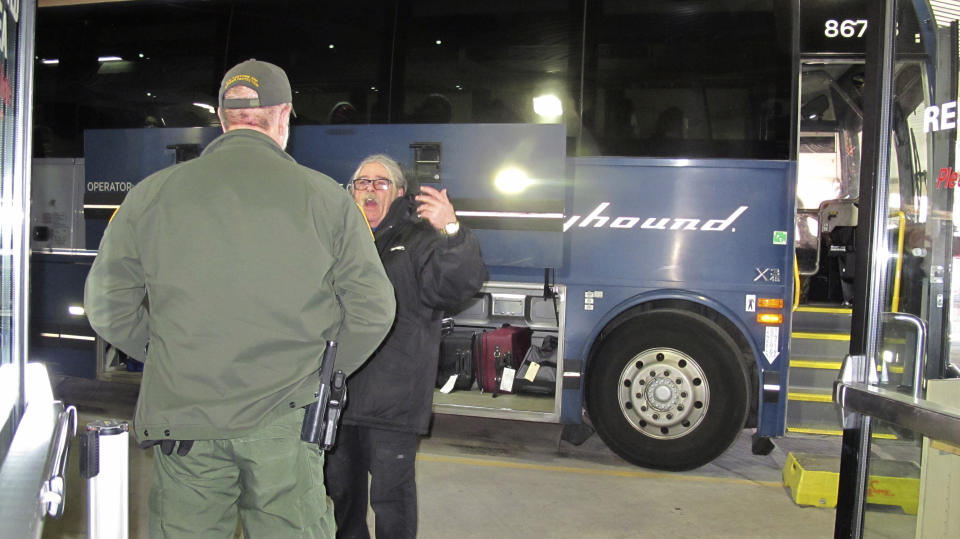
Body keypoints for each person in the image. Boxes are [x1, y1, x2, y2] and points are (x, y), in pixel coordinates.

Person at [84, 59, 396, 538]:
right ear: (283, 115)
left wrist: (167, 353)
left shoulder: (151, 195)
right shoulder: (327, 200)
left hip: (184, 416)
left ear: (223, 116)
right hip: (284, 421)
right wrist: (322, 372)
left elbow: (107, 304)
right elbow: (374, 310)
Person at [324, 154, 487, 538]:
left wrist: (451, 230)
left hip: (393, 402)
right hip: (338, 395)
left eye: (380, 183)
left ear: (399, 193)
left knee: (391, 501)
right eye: (361, 183)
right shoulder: (337, 239)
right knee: (340, 496)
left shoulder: (418, 240)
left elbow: (456, 287)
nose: (369, 190)